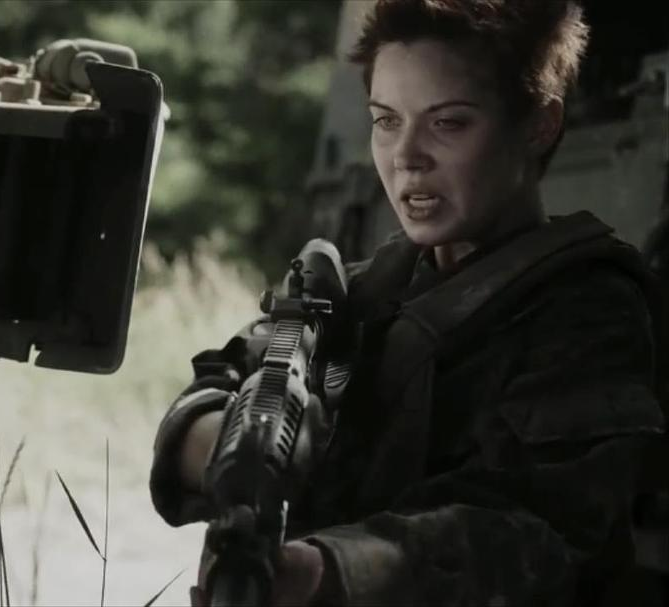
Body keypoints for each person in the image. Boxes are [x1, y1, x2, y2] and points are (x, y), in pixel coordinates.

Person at [148, 1, 667, 605]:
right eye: (386, 121)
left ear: (538, 126)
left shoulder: (590, 311)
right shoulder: (357, 289)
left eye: (448, 123)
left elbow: (537, 530)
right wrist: (232, 445)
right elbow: (215, 382)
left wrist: (325, 571)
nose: (406, 155)